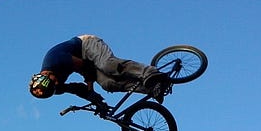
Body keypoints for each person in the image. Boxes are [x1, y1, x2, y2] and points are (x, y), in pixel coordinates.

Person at [29, 35, 171, 106]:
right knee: (107, 84)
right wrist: (96, 101)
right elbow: (77, 89)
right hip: (85, 64)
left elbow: (85, 66)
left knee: (107, 66)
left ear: (46, 75)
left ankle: (151, 73)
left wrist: (90, 89)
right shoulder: (54, 87)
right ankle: (152, 88)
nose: (57, 83)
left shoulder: (55, 59)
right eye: (54, 87)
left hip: (86, 45)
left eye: (53, 82)